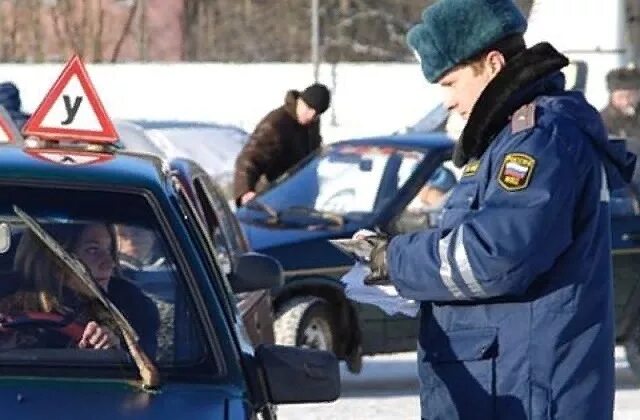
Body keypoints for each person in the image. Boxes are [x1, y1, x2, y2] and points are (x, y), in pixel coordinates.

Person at [360, 1, 636, 419]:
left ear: (492, 64)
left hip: (527, 393)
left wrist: (395, 260)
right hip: (508, 385)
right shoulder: (508, 139)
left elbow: (495, 256)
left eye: (451, 82)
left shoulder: (539, 139)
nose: (448, 101)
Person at [0, 223, 159, 357]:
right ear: (53, 260)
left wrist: (114, 352)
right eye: (93, 250)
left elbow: (148, 378)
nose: (110, 263)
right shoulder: (6, 302)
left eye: (110, 250)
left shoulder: (130, 308)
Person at [234, 83, 331, 206]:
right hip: (274, 198)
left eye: (316, 113)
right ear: (300, 101)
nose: (311, 115)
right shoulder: (276, 124)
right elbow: (248, 159)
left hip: (302, 197)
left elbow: (312, 152)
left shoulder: (311, 123)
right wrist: (245, 192)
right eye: (308, 108)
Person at [600, 67, 640, 141]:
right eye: (620, 97)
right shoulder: (600, 121)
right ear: (612, 96)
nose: (626, 102)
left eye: (631, 96)